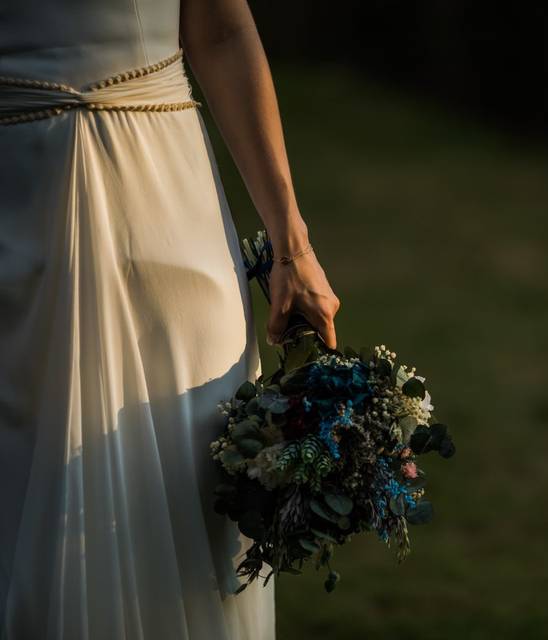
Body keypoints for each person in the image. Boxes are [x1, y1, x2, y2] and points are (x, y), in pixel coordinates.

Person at [0, 0, 338, 637]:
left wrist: (292, 244)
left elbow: (222, 28)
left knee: (190, 491)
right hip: (14, 203)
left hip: (166, 214)